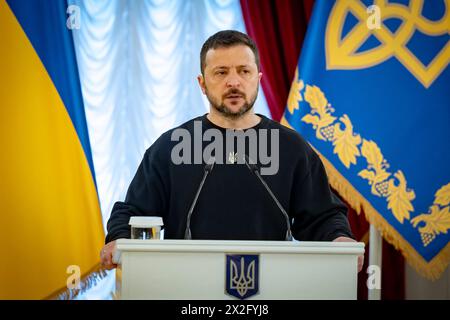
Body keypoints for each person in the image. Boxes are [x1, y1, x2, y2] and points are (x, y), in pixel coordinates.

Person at [100, 30, 363, 271]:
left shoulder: (291, 148)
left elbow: (323, 217)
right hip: (186, 286)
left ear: (258, 79)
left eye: (244, 71)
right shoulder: (171, 147)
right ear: (202, 83)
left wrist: (339, 238)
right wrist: (119, 240)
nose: (233, 82)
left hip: (273, 285)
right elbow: (132, 214)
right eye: (221, 72)